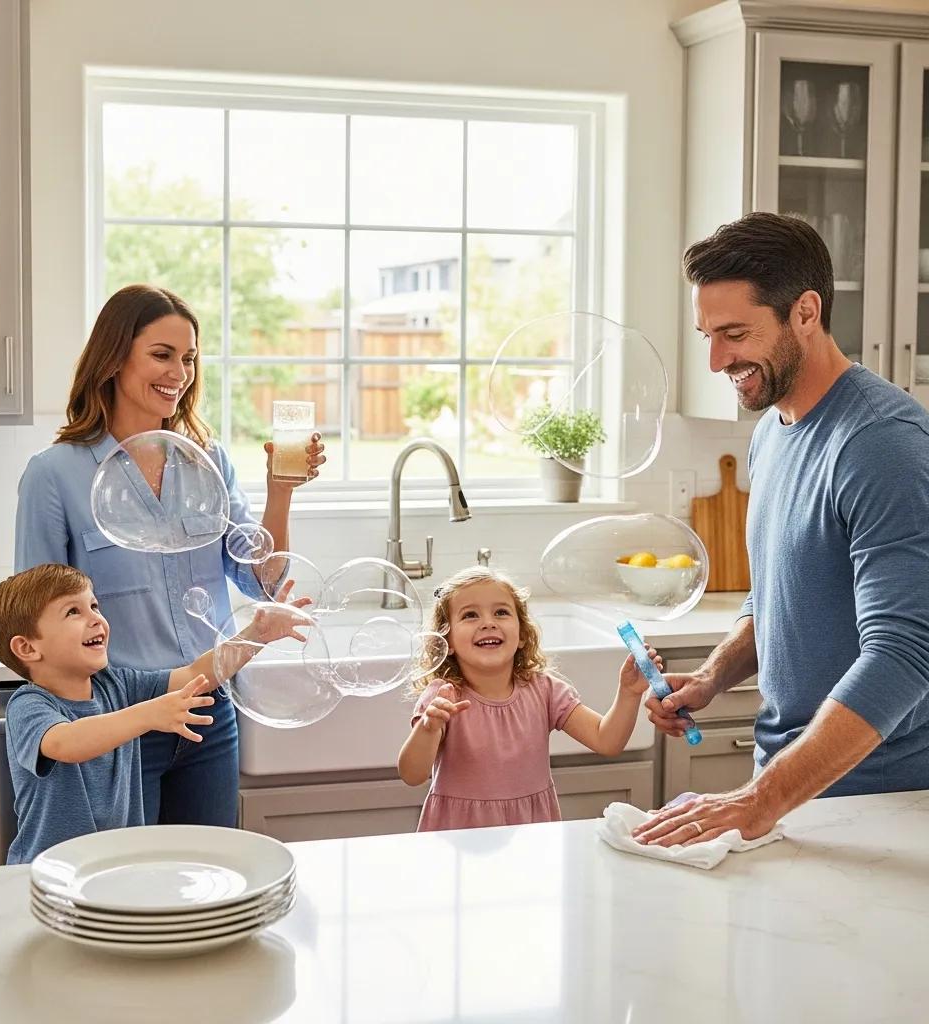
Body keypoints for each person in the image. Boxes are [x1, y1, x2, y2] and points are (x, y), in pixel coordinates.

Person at [635, 212, 929, 849]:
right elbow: (781, 596)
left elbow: (904, 656)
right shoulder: (774, 429)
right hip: (794, 797)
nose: (716, 360)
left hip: (880, 807)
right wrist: (714, 675)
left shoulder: (882, 444)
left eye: (734, 334)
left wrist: (758, 800)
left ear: (805, 311)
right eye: (707, 335)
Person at [14, 284, 326, 829]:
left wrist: (282, 490)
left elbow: (262, 581)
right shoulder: (54, 474)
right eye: (161, 355)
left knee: (209, 881)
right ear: (113, 358)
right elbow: (31, 621)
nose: (178, 373)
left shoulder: (208, 461)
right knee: (129, 890)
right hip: (120, 720)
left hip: (209, 710)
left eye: (188, 358)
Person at [0, 563, 310, 863]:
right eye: (73, 612)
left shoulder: (115, 684)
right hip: (45, 875)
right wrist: (149, 714)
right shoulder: (29, 705)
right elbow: (65, 744)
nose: (95, 617)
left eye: (94, 606)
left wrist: (256, 636)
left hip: (113, 868)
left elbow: (196, 675)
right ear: (28, 648)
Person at [397, 566, 661, 831]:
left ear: (522, 634)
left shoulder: (545, 690)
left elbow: (607, 740)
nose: (488, 622)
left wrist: (629, 692)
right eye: (470, 615)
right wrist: (428, 728)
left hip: (532, 835)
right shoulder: (443, 697)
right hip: (458, 839)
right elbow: (412, 774)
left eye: (501, 612)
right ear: (447, 640)